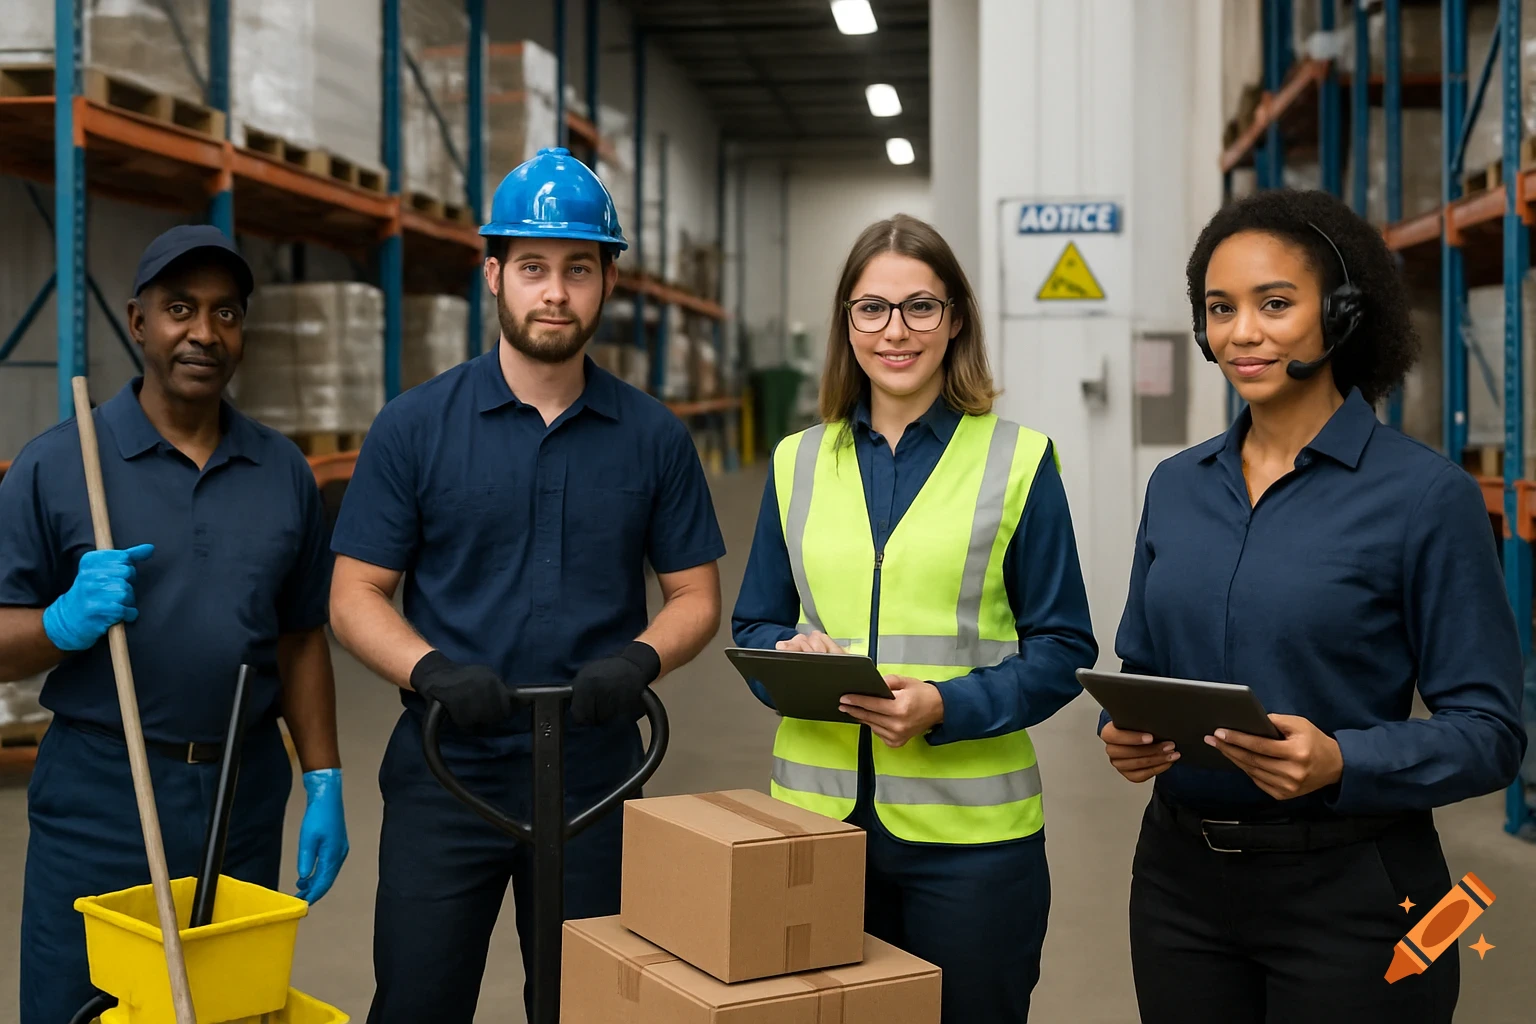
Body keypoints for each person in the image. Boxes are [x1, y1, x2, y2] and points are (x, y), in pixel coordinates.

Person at [1102, 188, 1528, 1024]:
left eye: (1275, 304)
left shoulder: (1424, 496)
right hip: (1179, 882)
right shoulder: (1177, 487)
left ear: (1339, 314)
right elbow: (1143, 666)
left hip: (1360, 893)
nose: (1242, 332)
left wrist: (1344, 762)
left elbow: (1491, 733)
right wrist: (1126, 734)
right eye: (1219, 309)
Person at [327, 147, 725, 1022]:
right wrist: (428, 669)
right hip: (447, 769)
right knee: (418, 1004)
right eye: (535, 268)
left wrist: (639, 661)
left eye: (578, 269)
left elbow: (697, 595)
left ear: (607, 281)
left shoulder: (652, 437)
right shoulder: (414, 427)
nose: (556, 291)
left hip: (597, 775)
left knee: (589, 1009)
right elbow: (355, 592)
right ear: (495, 275)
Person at [732, 214, 1098, 1023]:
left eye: (920, 307)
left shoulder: (1019, 460)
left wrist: (948, 705)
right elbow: (754, 623)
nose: (895, 331)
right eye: (872, 309)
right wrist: (792, 652)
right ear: (847, 323)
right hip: (817, 830)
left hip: (971, 847)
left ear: (955, 318)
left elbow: (1065, 644)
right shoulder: (796, 461)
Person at [0, 225, 349, 1024]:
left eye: (226, 314)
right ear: (137, 322)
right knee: (81, 1005)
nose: (203, 332)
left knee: (226, 1007)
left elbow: (300, 637)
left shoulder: (283, 472)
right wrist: (61, 623)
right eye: (180, 309)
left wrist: (323, 779)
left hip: (242, 792)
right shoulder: (59, 465)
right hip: (102, 790)